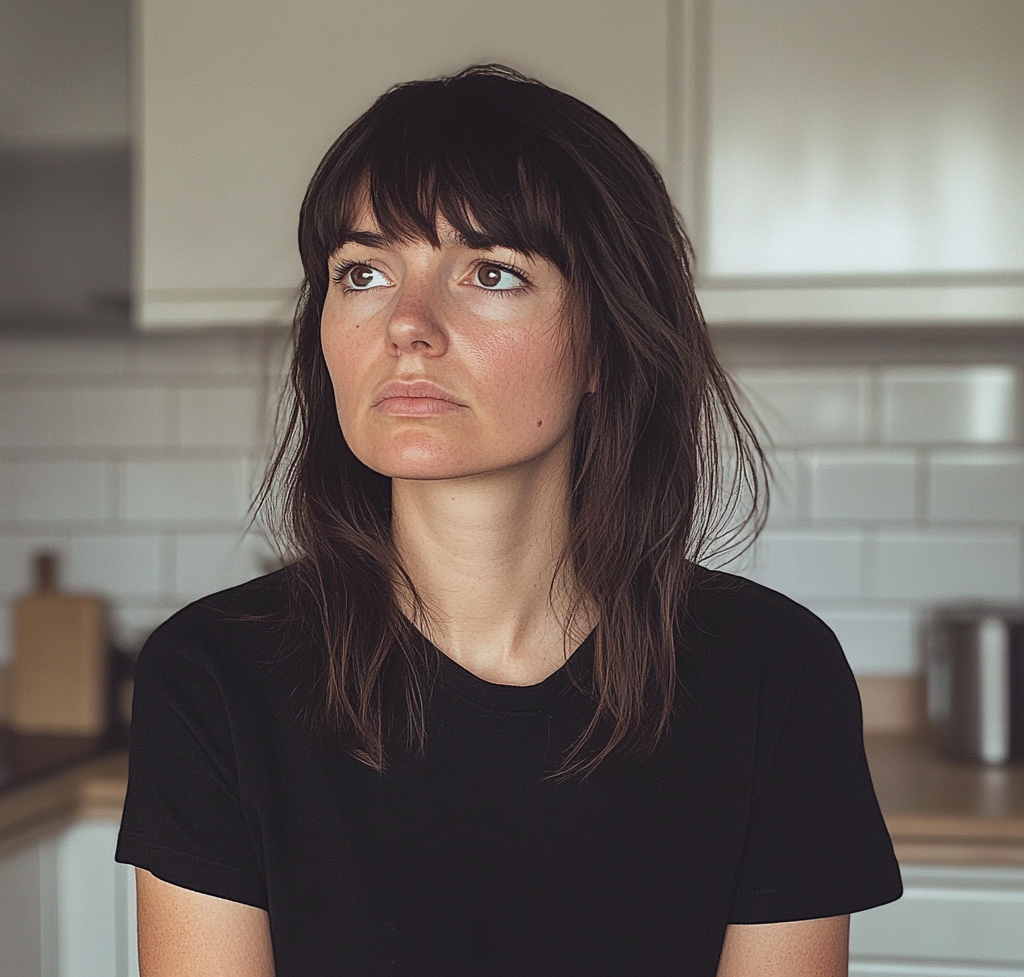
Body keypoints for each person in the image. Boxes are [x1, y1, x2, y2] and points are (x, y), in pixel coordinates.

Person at [116, 64, 902, 977]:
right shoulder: (212, 678)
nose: (407, 325)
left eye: (491, 272)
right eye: (363, 272)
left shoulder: (774, 676)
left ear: (608, 340)